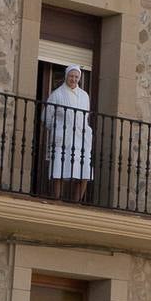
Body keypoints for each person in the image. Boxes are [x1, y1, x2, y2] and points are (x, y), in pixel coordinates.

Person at [43, 65, 93, 202]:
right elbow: (47, 117)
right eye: (71, 76)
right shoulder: (56, 94)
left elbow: (86, 116)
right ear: (66, 76)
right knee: (59, 170)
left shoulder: (84, 96)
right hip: (62, 138)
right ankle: (57, 199)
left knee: (84, 171)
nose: (74, 79)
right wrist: (57, 129)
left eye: (76, 77)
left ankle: (76, 202)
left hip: (81, 138)